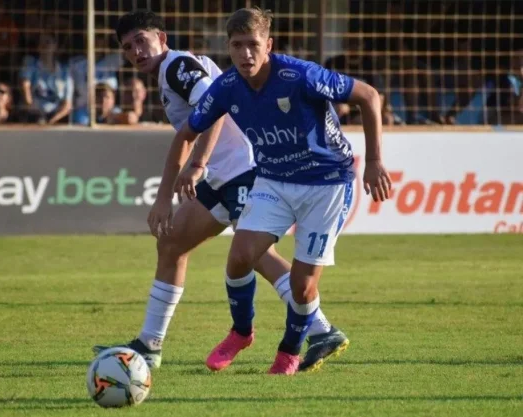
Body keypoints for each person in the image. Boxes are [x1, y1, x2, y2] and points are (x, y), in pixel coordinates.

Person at [93, 11, 348, 373]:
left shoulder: (178, 67)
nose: (136, 50)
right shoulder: (179, 68)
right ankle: (149, 345)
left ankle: (320, 328)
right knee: (172, 244)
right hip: (222, 175)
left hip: (241, 170)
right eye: (128, 46)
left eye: (141, 40)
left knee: (254, 255)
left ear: (161, 38)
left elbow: (213, 109)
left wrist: (196, 164)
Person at [149, 7, 392, 375]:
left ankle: (289, 352)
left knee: (302, 286)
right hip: (273, 181)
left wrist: (373, 160)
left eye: (253, 45)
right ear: (228, 48)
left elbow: (369, 96)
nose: (246, 53)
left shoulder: (299, 75)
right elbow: (187, 132)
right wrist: (172, 187)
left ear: (269, 45)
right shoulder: (227, 87)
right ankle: (241, 332)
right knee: (240, 256)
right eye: (237, 45)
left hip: (326, 184)